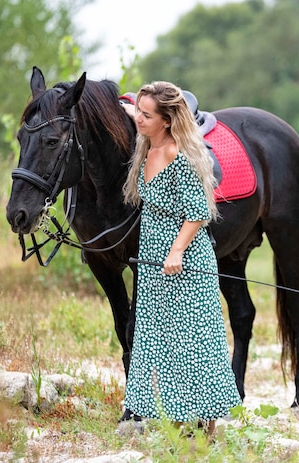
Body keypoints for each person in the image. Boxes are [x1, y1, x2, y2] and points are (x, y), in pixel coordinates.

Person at [122, 81, 241, 436]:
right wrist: (129, 108)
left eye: (146, 115)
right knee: (160, 336)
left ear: (168, 121)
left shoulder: (177, 154)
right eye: (138, 112)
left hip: (184, 260)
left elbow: (199, 211)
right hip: (154, 261)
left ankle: (203, 423)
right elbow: (134, 114)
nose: (139, 119)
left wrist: (176, 251)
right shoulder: (147, 146)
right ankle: (174, 417)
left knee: (192, 339)